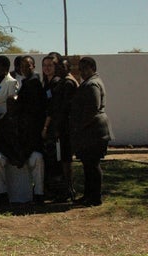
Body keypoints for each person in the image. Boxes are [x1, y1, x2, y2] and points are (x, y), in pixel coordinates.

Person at [70, 57, 111, 207]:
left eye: (85, 68)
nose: (82, 72)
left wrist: (79, 126)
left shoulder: (92, 84)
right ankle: (88, 195)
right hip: (89, 131)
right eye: (80, 69)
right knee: (88, 165)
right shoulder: (88, 82)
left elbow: (93, 109)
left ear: (92, 68)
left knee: (93, 165)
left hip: (94, 131)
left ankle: (95, 197)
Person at [0, 96, 45, 204]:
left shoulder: (28, 120)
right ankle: (2, 193)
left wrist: (23, 156)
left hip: (25, 154)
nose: (11, 107)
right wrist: (12, 157)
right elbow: (1, 143)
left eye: (14, 104)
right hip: (10, 155)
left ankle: (39, 194)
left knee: (38, 157)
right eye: (9, 104)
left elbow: (32, 141)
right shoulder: (1, 121)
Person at [43, 57, 79, 202]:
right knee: (61, 159)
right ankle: (62, 189)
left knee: (65, 160)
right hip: (60, 126)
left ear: (68, 68)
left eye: (62, 67)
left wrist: (55, 127)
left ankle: (68, 190)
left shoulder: (68, 83)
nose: (59, 70)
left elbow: (63, 108)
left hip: (65, 128)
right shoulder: (60, 82)